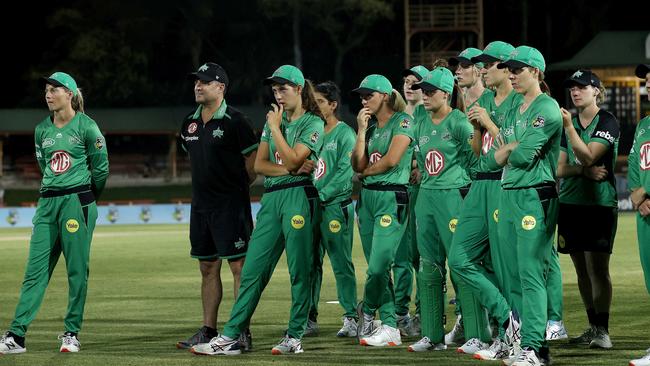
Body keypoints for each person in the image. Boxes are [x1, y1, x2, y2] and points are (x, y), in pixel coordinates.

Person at [191, 64, 324, 355]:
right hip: (272, 198)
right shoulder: (272, 122)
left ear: (299, 89)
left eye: (283, 88)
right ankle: (232, 337)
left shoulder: (312, 123)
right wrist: (288, 165)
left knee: (300, 270)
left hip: (299, 197)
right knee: (252, 270)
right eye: (274, 89)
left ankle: (294, 335)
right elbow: (262, 166)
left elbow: (290, 160)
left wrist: (276, 130)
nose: (277, 94)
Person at [0, 72, 109, 354]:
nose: (48, 95)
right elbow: (43, 165)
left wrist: (86, 198)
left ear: (70, 94)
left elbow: (101, 168)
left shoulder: (87, 127)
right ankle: (16, 336)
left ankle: (71, 333)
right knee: (34, 271)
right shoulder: (41, 130)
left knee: (76, 271)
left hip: (78, 203)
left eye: (54, 90)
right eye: (46, 90)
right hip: (47, 204)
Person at [485, 45, 563, 366]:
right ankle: (521, 344)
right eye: (510, 69)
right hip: (510, 192)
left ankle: (536, 349)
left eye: (518, 70)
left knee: (531, 274)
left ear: (536, 73)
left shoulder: (547, 108)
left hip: (535, 194)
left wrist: (510, 149)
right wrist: (510, 149)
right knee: (513, 275)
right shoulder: (516, 105)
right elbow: (492, 158)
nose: (512, 75)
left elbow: (519, 155)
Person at [176, 62, 258, 351]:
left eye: (205, 82)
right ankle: (209, 329)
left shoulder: (237, 121)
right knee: (208, 267)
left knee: (239, 268)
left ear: (220, 87)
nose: (198, 86)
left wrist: (232, 192)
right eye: (196, 82)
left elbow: (252, 167)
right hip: (200, 207)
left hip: (230, 206)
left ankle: (241, 331)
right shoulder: (189, 122)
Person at [448, 40, 522, 360]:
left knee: (506, 267)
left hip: (504, 186)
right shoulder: (487, 99)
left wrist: (489, 123)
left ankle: (512, 334)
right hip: (480, 183)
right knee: (459, 258)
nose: (482, 69)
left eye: (488, 64)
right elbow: (479, 151)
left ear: (506, 68)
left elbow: (515, 150)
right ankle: (507, 318)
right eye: (482, 64)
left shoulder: (521, 101)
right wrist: (478, 127)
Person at [405, 66, 478, 352]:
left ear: (446, 94)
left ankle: (475, 333)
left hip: (453, 198)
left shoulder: (459, 122)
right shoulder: (420, 122)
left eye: (430, 91)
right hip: (426, 198)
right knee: (428, 266)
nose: (424, 96)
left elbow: (475, 162)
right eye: (423, 91)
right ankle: (433, 335)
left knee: (461, 266)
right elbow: (422, 162)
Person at [557, 70, 619, 349]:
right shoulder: (564, 124)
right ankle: (593, 326)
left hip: (599, 205)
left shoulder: (606, 121)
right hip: (569, 204)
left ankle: (603, 331)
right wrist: (582, 173)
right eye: (572, 87)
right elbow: (559, 168)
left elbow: (589, 154)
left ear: (596, 91)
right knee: (581, 271)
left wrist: (570, 129)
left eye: (582, 87)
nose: (575, 91)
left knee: (598, 270)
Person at [350, 74, 413, 347]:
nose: (364, 100)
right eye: (362, 96)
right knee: (378, 267)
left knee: (378, 267)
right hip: (367, 200)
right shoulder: (372, 127)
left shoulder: (403, 121)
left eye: (369, 95)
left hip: (391, 197)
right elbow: (356, 163)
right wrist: (362, 132)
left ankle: (367, 309)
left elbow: (391, 161)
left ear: (385, 96)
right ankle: (388, 325)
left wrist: (365, 172)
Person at [305, 81, 358, 337]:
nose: (314, 106)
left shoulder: (345, 134)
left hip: (335, 207)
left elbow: (343, 174)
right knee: (310, 264)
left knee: (341, 263)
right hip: (310, 207)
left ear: (333, 105)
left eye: (320, 102)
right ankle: (308, 317)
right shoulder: (308, 132)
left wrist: (319, 196)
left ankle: (350, 317)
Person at [393, 65, 430, 336]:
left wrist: (417, 162)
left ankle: (423, 311)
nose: (409, 86)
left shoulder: (427, 116)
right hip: (397, 190)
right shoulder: (397, 116)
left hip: (420, 190)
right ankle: (400, 312)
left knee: (422, 255)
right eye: (406, 81)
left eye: (415, 83)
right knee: (400, 255)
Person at [628, 63, 650, 366]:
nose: (649, 84)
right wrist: (638, 195)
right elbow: (635, 166)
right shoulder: (644, 124)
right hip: (645, 215)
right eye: (647, 80)